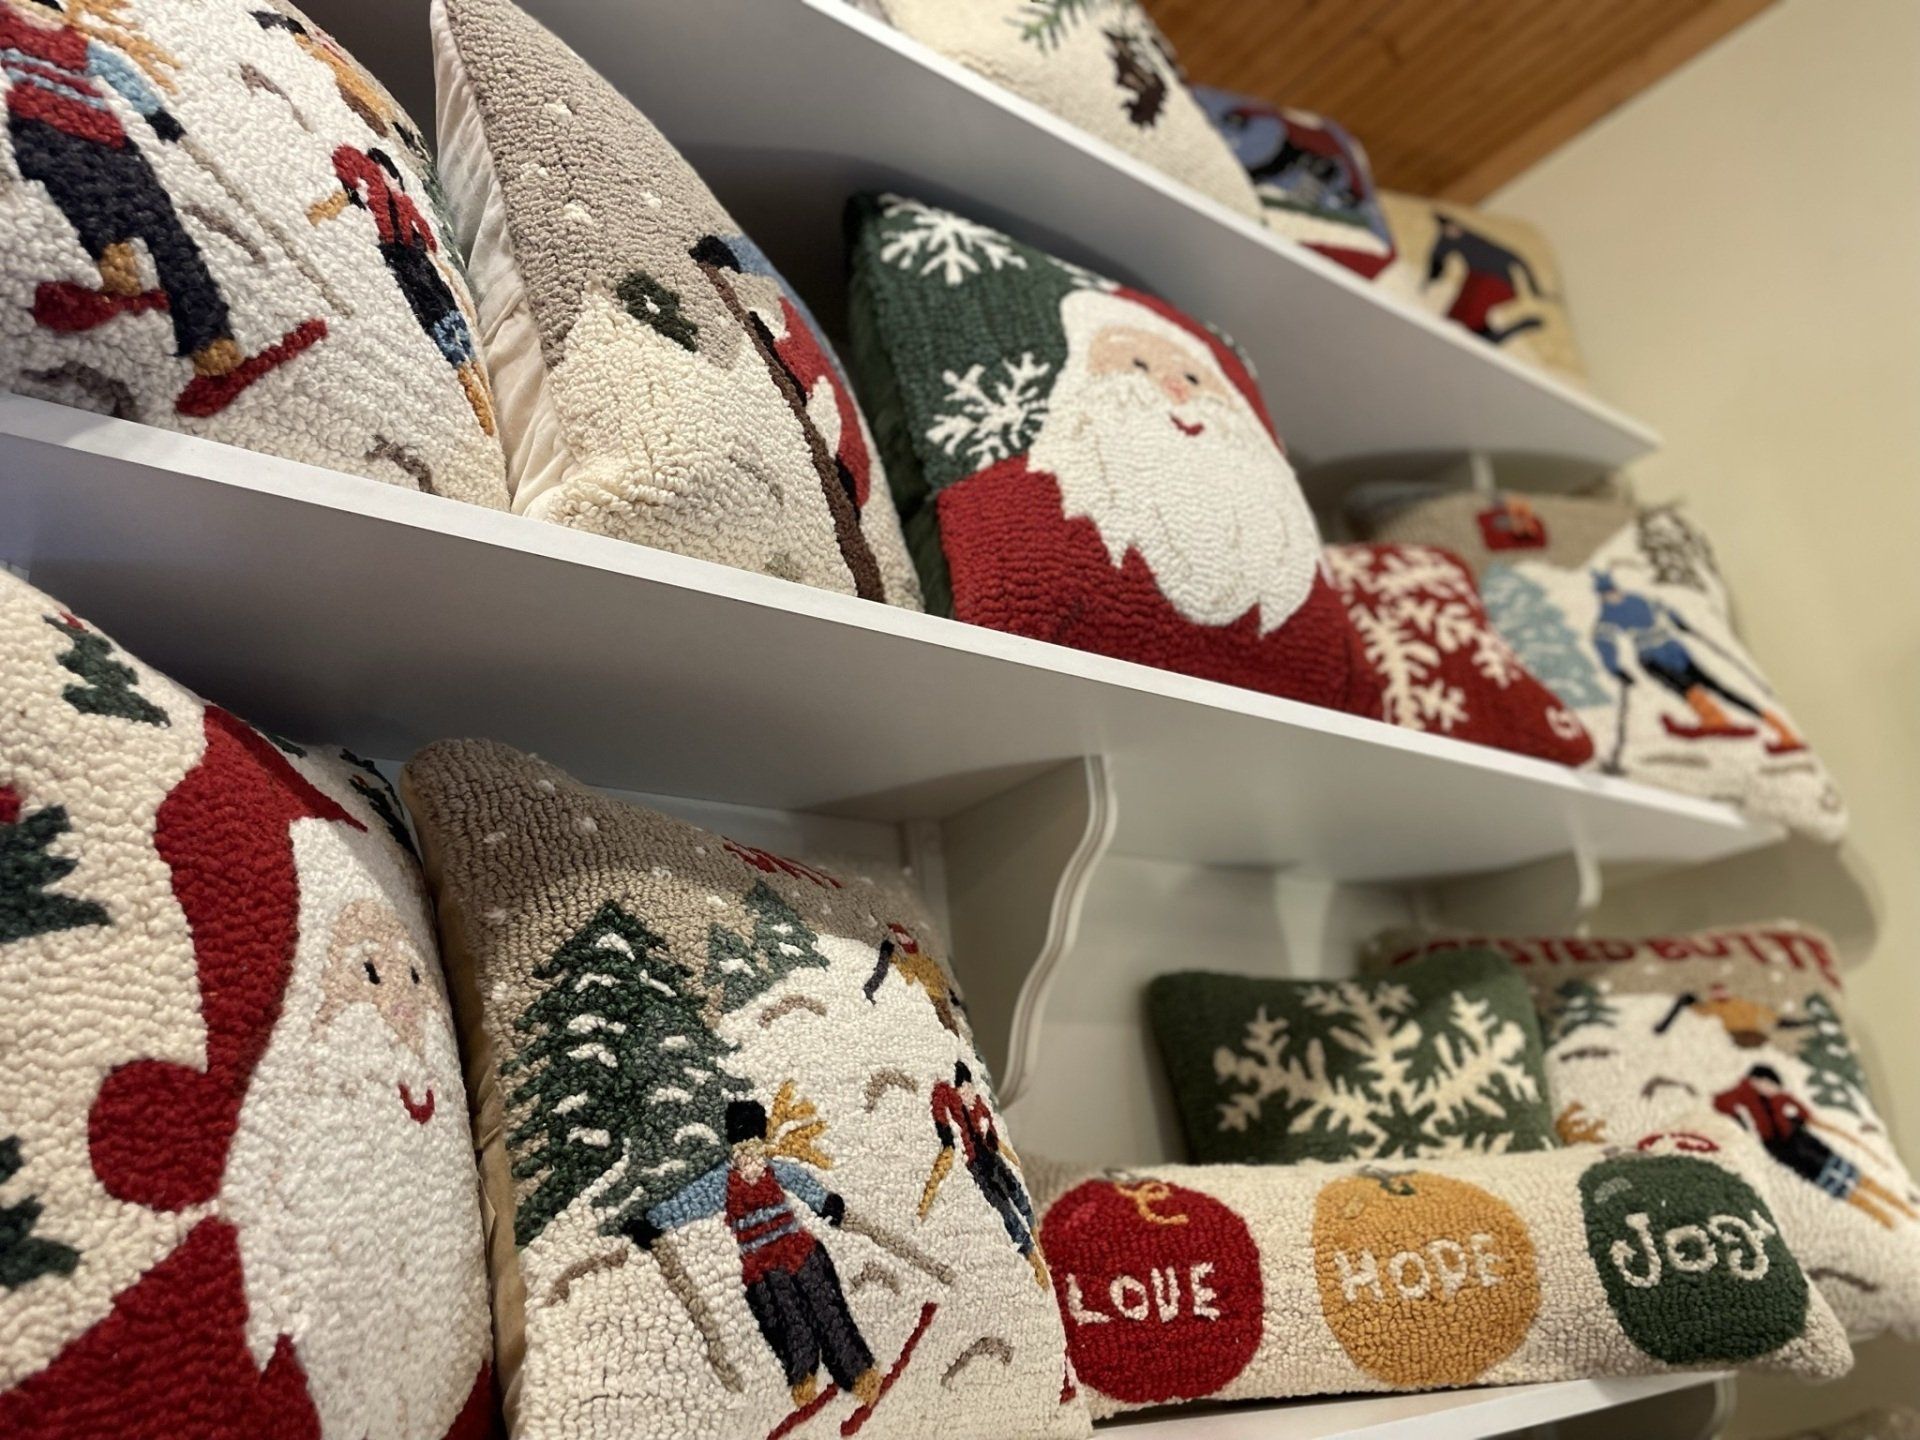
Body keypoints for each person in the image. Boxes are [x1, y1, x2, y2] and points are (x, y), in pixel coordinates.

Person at [936, 285, 1378, 712]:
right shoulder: (1013, 502)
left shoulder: (1285, 555)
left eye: (1193, 377)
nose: (1174, 387)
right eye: (1137, 365)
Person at [1, 0, 323, 415]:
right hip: (73, 140)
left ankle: (156, 306)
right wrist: (155, 117)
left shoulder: (69, 42)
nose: (41, 16)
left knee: (126, 223)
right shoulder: (41, 33)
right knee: (138, 227)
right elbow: (120, 74)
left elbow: (120, 73)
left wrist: (157, 116)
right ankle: (203, 343)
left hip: (73, 140)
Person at [625, 1099, 880, 1409]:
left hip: (800, 1252)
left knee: (828, 1311)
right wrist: (653, 1222)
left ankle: (859, 1372)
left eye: (753, 1139)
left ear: (761, 1139)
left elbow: (802, 1183)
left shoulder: (775, 1170)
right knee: (786, 1322)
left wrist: (826, 1202)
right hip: (764, 1267)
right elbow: (688, 1202)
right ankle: (802, 1376)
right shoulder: (721, 1182)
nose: (748, 1149)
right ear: (733, 1143)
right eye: (741, 1141)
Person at [309, 143, 495, 436]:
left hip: (406, 257)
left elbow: (411, 221)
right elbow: (414, 222)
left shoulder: (380, 190)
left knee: (442, 323)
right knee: (445, 322)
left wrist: (323, 211)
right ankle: (473, 385)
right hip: (410, 256)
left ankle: (472, 385)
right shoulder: (384, 189)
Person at [1591, 570, 1805, 752]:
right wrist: (1615, 669)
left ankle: (1778, 728)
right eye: (1606, 594)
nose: (1611, 597)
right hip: (1654, 658)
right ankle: (1715, 718)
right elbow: (1604, 642)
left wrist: (1680, 623)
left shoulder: (1635, 601)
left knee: (1713, 686)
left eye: (1611, 591)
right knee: (1689, 689)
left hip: (1673, 652)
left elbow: (1664, 608)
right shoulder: (1610, 614)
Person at [1714, 1065, 1918, 1230]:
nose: (1772, 1089)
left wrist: (1802, 1117)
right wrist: (1739, 1117)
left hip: (1801, 1139)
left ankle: (1901, 1209)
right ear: (1756, 1081)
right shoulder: (1744, 1094)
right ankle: (1881, 1215)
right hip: (1784, 1149)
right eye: (1769, 1084)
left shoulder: (1778, 1097)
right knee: (1829, 1179)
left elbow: (1799, 1108)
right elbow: (1721, 1102)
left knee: (1846, 1170)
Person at [921, 1062, 1045, 1288]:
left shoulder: (977, 1101)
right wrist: (948, 1146)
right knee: (1004, 1208)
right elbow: (942, 1107)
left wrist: (1006, 1153)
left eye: (969, 1087)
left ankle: (1036, 1243)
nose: (967, 1092)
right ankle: (1031, 1256)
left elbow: (992, 1134)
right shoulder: (948, 1095)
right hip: (976, 1164)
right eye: (964, 1088)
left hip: (991, 1157)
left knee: (1017, 1195)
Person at [1425, 213, 1547, 346]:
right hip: (1477, 278)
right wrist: (1432, 277)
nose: (1451, 232)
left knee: (1466, 323)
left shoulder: (1477, 243)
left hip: (1496, 283)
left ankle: (1520, 325)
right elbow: (1438, 257)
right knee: (1456, 319)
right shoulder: (1450, 239)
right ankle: (1517, 327)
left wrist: (1535, 290)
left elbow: (1518, 260)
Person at [863, 923, 966, 1039]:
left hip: (935, 995)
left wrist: (894, 960)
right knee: (946, 1019)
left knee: (945, 1019)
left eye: (904, 938)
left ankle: (953, 1038)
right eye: (901, 938)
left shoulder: (917, 959)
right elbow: (934, 977)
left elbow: (912, 976)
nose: (905, 940)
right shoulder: (921, 959)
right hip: (936, 995)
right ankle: (953, 1038)